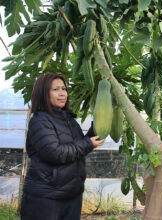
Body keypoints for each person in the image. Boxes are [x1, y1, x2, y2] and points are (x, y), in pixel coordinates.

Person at [20, 73, 105, 220]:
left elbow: (79, 147)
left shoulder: (68, 120)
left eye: (64, 89)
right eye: (56, 89)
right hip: (46, 197)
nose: (62, 93)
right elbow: (55, 153)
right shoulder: (40, 121)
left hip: (72, 195)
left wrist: (99, 123)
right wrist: (88, 143)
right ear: (43, 94)